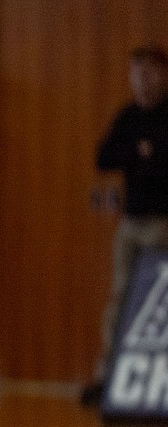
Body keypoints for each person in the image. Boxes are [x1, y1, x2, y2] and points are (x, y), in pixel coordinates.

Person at [83, 45, 168, 406]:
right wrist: (139, 153)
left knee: (159, 303)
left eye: (148, 72)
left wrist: (151, 156)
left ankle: (157, 379)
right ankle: (110, 375)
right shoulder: (128, 117)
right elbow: (104, 157)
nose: (142, 80)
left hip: (163, 220)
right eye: (136, 73)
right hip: (132, 221)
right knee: (120, 299)